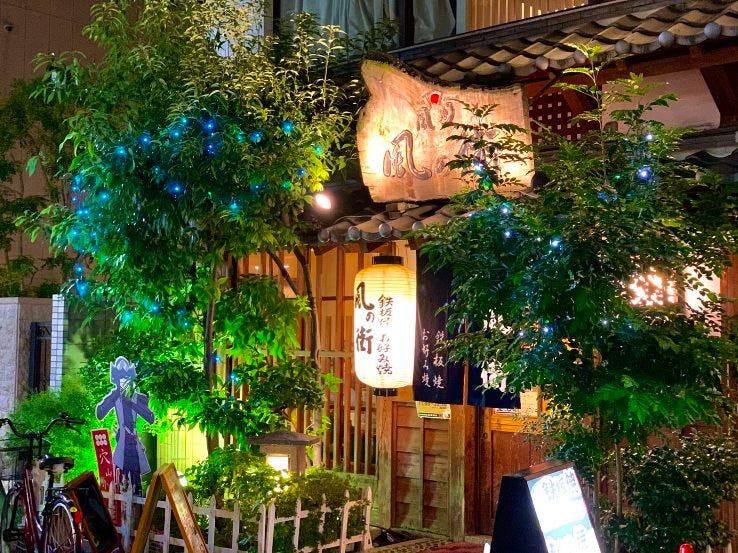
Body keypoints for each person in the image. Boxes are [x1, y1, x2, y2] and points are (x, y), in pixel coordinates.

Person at [96, 356, 155, 495]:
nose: (124, 382)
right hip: (122, 441)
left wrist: (131, 402)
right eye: (121, 379)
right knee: (120, 473)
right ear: (116, 380)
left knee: (136, 475)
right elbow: (100, 412)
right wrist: (116, 395)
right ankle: (121, 496)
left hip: (133, 441)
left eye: (126, 379)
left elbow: (150, 417)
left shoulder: (137, 397)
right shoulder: (115, 396)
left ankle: (137, 496)